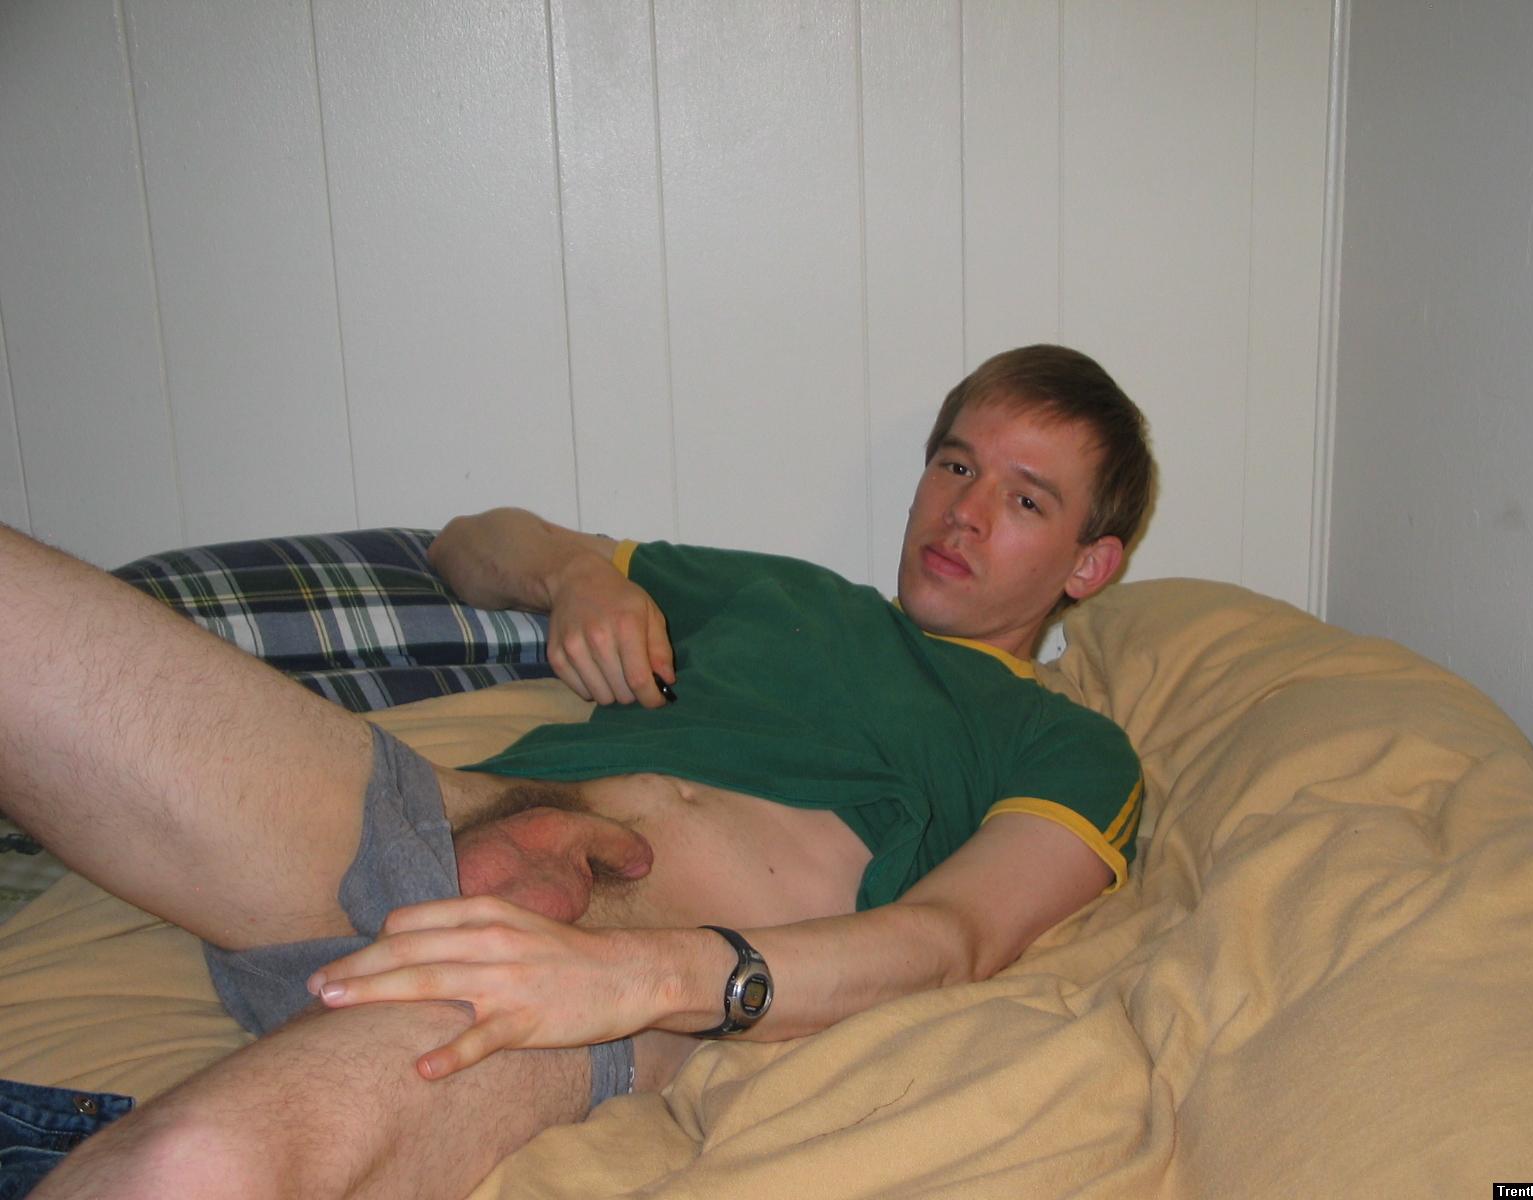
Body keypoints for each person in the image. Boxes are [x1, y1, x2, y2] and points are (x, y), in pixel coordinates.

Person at [1, 343, 1154, 1200]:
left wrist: (637, 979)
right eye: (954, 465)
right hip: (406, 814)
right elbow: (466, 543)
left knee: (190, 1168)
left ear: (1090, 564)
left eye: (1024, 498)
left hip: (583, 983)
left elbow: (955, 940)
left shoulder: (1067, 745)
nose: (963, 512)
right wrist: (577, 576)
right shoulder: (789, 594)